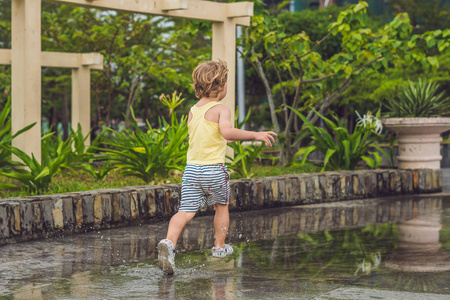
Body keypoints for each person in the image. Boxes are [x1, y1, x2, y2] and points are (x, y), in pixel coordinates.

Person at [157, 59, 277, 275]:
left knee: (184, 211)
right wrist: (255, 135)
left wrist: (226, 138)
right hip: (213, 170)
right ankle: (219, 247)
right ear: (222, 86)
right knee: (221, 206)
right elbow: (227, 133)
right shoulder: (222, 110)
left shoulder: (193, 111)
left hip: (192, 171)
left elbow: (212, 137)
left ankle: (169, 243)